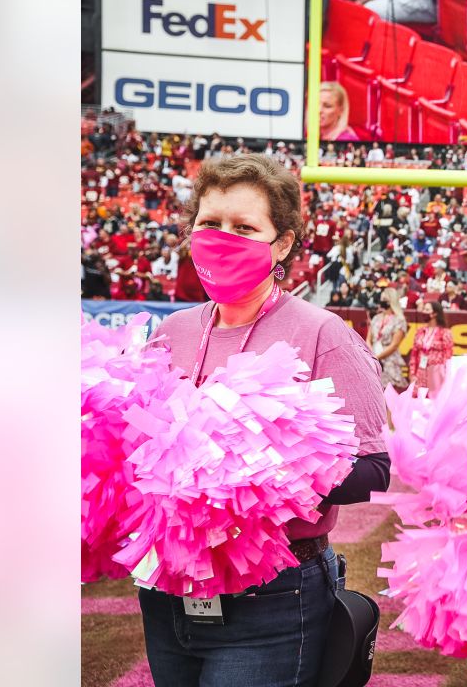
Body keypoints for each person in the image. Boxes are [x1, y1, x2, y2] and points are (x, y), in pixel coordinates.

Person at [141, 155, 391, 685]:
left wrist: (263, 473)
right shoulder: (173, 331)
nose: (222, 237)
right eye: (210, 224)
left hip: (274, 590)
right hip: (167, 586)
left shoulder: (325, 334)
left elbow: (373, 468)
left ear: (282, 244)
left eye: (244, 227)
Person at [368, 287, 410, 390]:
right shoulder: (376, 318)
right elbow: (368, 339)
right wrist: (371, 355)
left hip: (389, 360)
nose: (382, 302)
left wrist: (378, 357)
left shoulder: (399, 320)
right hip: (373, 358)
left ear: (391, 301)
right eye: (381, 299)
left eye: (385, 300)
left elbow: (394, 345)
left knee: (389, 393)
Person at [409, 301, 453, 396]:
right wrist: (412, 373)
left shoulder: (445, 333)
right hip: (421, 372)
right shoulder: (420, 331)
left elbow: (448, 356)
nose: (424, 312)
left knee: (435, 401)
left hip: (437, 374)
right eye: (424, 309)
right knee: (419, 399)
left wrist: (446, 376)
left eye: (427, 309)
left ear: (435, 314)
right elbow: (414, 354)